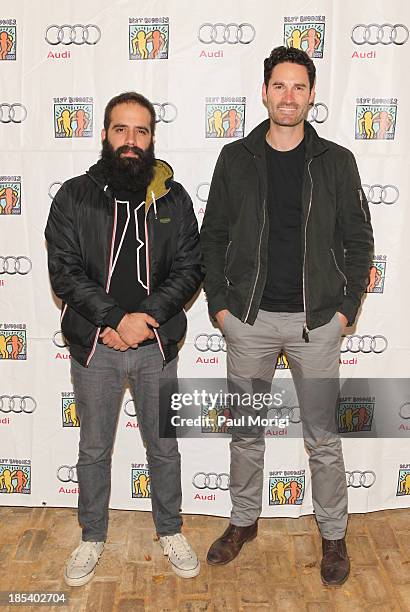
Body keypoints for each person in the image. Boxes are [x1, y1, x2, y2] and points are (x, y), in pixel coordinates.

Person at [200, 46, 374, 586]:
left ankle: (333, 533)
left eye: (299, 87)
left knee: (322, 436)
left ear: (312, 95)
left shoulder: (337, 161)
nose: (288, 96)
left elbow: (358, 240)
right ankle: (243, 522)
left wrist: (345, 312)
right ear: (264, 92)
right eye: (279, 86)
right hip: (248, 320)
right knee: (246, 433)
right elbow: (213, 238)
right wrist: (222, 309)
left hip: (316, 322)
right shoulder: (235, 158)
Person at [45, 91, 202, 586]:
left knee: (164, 447)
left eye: (141, 131)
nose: (131, 141)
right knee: (94, 448)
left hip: (156, 345)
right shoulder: (74, 194)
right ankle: (92, 536)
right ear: (106, 135)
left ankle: (170, 529)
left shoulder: (173, 197)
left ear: (153, 137)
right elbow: (65, 272)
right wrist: (114, 320)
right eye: (121, 130)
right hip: (96, 346)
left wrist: (145, 318)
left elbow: (189, 267)